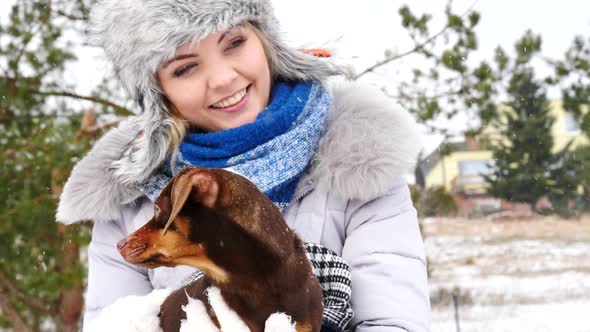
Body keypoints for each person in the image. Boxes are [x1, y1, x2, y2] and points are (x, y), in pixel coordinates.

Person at [56, 0, 431, 331]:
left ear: (264, 40)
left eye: (234, 43)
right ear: (158, 94)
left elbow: (395, 322)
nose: (223, 79)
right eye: (185, 68)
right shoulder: (129, 205)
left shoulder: (360, 163)